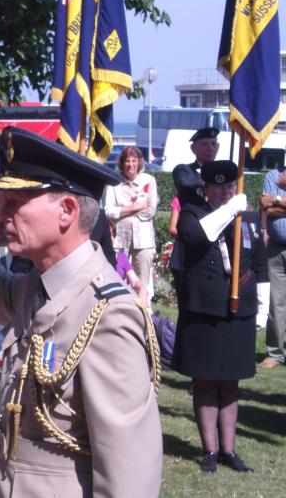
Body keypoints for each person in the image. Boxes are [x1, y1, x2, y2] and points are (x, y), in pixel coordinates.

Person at [0, 127, 163, 497]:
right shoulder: (36, 283)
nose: (1, 215)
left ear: (66, 211)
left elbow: (130, 472)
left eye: (16, 202)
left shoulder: (109, 313)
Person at [171, 160, 266, 473]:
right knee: (206, 382)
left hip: (238, 311)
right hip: (205, 310)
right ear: (207, 189)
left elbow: (260, 261)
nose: (226, 192)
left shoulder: (248, 218)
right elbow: (197, 237)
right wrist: (230, 210)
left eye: (230, 187)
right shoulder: (193, 214)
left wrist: (261, 302)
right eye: (219, 188)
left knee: (230, 383)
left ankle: (229, 450)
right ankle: (209, 451)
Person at [170, 127, 220, 287]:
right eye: (204, 144)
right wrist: (213, 182)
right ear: (194, 149)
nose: (210, 148)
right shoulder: (185, 170)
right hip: (191, 240)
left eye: (213, 144)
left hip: (216, 241)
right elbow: (184, 183)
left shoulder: (223, 170)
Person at [104, 146, 158, 294]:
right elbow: (108, 211)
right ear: (122, 163)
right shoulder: (113, 183)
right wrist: (135, 207)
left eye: (134, 161)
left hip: (143, 240)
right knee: (118, 279)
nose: (130, 164)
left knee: (142, 283)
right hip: (119, 240)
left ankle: (144, 314)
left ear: (139, 162)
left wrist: (121, 211)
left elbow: (150, 210)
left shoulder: (149, 181)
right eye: (127, 161)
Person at [257, 164, 286, 368]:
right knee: (276, 302)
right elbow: (264, 207)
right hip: (276, 248)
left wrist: (276, 201)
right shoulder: (272, 175)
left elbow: (271, 204)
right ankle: (275, 353)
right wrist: (273, 206)